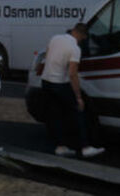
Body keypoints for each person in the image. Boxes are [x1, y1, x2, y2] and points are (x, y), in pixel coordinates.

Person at [41, 22, 104, 158]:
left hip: (46, 82)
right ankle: (85, 147)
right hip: (60, 84)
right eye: (83, 38)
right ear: (82, 35)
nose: (82, 41)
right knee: (78, 112)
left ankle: (61, 146)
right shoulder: (75, 49)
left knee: (56, 115)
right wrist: (78, 97)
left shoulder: (55, 38)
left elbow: (47, 56)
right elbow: (72, 74)